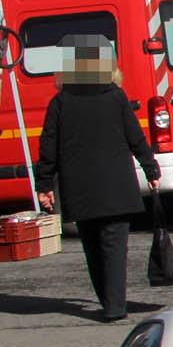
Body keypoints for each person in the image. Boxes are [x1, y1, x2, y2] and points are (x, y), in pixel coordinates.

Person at [33, 41, 160, 322]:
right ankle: (116, 305)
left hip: (80, 189)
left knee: (92, 248)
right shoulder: (116, 97)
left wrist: (43, 185)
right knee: (115, 248)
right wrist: (151, 169)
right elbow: (135, 137)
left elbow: (48, 146)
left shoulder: (60, 103)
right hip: (116, 188)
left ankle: (108, 301)